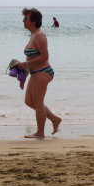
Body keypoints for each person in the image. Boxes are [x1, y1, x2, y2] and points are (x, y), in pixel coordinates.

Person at [17, 8, 62, 139]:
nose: (23, 20)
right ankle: (54, 119)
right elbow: (30, 59)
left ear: (34, 21)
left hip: (43, 72)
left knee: (38, 103)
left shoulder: (40, 35)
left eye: (26, 18)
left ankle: (40, 133)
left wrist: (25, 65)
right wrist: (23, 77)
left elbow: (44, 56)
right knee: (29, 101)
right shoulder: (33, 35)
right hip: (35, 72)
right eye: (24, 18)